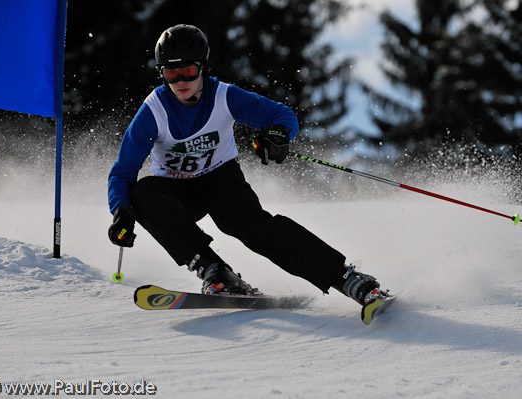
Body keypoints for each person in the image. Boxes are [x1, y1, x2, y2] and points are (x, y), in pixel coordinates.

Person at [108, 24, 386, 310]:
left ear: (203, 67)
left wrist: (277, 134)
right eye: (170, 72)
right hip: (176, 190)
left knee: (251, 226)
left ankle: (349, 280)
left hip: (221, 181)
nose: (180, 81)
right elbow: (122, 172)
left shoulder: (224, 96)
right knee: (141, 193)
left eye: (188, 71)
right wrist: (120, 211)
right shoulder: (153, 111)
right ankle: (215, 272)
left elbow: (282, 115)